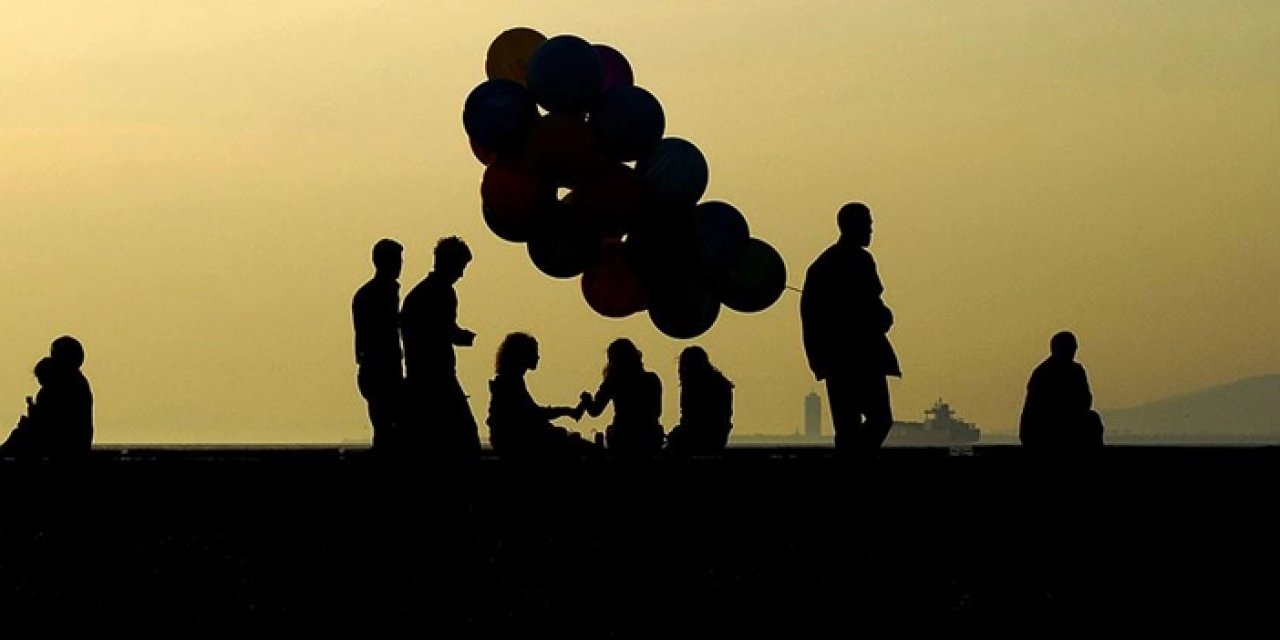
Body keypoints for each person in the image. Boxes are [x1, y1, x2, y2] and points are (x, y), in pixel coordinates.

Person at [800, 202, 902, 456]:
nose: (870, 230)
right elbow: (867, 306)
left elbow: (810, 317)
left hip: (838, 361)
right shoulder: (856, 262)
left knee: (850, 427)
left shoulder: (822, 265)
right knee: (876, 420)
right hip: (857, 358)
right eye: (867, 225)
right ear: (852, 227)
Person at [399, 236, 481, 460]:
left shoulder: (418, 294)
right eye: (461, 266)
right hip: (436, 378)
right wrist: (460, 336)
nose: (461, 274)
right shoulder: (442, 293)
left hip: (419, 376)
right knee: (465, 440)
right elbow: (441, 330)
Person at [485, 332, 597, 459]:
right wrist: (565, 412)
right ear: (522, 355)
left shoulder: (511, 380)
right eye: (534, 353)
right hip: (517, 443)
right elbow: (532, 415)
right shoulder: (510, 383)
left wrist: (566, 413)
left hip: (513, 441)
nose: (538, 357)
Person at [352, 238, 405, 452]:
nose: (400, 265)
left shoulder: (367, 294)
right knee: (388, 429)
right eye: (397, 260)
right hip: (381, 369)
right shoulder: (380, 294)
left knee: (385, 428)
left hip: (374, 368)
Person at [1019, 331, 1105, 455]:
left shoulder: (1077, 371)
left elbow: (1086, 399)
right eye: (1070, 348)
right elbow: (1042, 409)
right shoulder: (1044, 373)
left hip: (1070, 422)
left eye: (1074, 348)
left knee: (1093, 420)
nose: (1073, 352)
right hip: (1044, 430)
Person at [580, 338, 664, 458]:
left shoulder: (613, 381)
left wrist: (586, 400)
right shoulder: (652, 379)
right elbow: (657, 412)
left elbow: (595, 411)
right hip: (651, 439)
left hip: (622, 438)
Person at [665, 346, 734, 456]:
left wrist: (676, 435)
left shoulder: (693, 386)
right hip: (718, 438)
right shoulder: (721, 384)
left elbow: (691, 421)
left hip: (701, 438)